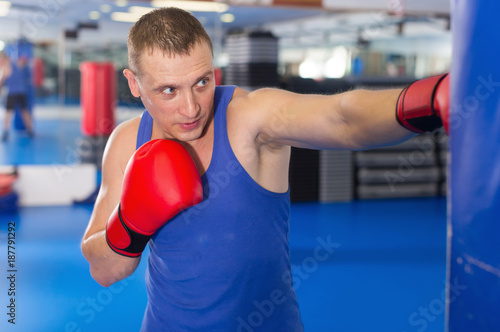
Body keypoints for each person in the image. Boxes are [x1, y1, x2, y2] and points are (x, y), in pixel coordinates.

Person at [81, 7, 449, 331]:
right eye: (168, 91)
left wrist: (429, 100)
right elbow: (105, 270)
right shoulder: (127, 142)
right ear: (134, 83)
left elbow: (343, 118)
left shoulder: (250, 117)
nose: (191, 108)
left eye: (202, 82)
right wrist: (130, 221)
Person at [1, 55, 35, 141]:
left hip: (13, 93)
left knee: (9, 112)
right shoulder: (17, 64)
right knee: (24, 111)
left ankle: (5, 131)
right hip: (21, 92)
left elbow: (1, 81)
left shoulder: (6, 67)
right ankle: (30, 130)